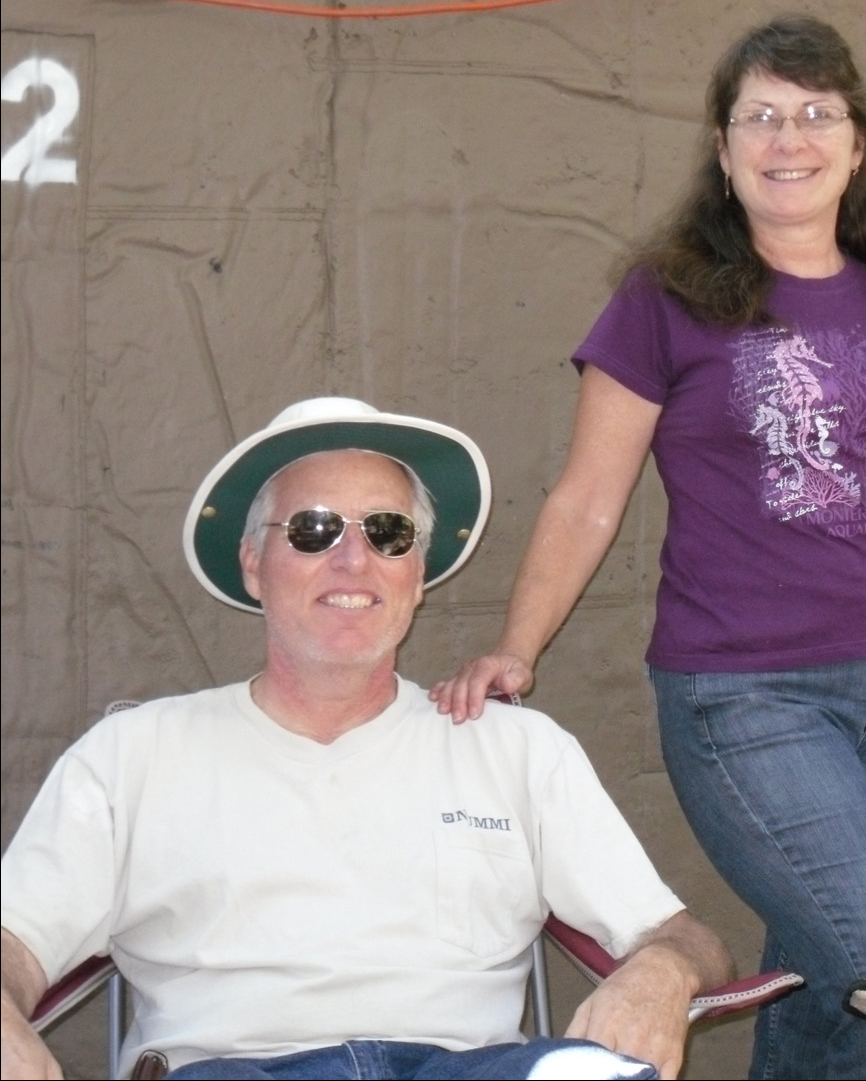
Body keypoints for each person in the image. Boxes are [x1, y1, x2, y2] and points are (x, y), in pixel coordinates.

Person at [430, 16, 866, 1079]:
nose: (791, 137)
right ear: (725, 150)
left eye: (817, 113)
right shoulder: (668, 299)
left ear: (857, 144)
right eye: (763, 116)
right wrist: (519, 644)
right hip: (747, 697)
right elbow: (588, 500)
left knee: (830, 984)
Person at [0, 397, 732, 1081]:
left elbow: (685, 936)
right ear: (254, 563)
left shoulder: (514, 749)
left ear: (417, 576)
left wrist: (664, 970)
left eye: (388, 532)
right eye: (315, 529)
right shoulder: (133, 754)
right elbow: (17, 939)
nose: (354, 560)